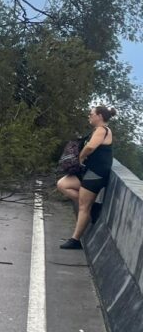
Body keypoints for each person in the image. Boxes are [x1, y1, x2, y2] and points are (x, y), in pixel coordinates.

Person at [56, 105, 116, 250]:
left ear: (99, 116)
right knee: (62, 184)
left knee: (83, 207)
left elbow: (90, 147)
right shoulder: (96, 130)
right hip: (88, 172)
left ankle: (75, 240)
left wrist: (80, 158)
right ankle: (94, 207)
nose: (89, 116)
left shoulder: (102, 130)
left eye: (91, 114)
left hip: (96, 173)